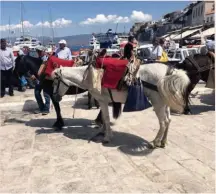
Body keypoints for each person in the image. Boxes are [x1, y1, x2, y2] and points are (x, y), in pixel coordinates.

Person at [31, 45, 51, 115]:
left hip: (45, 79)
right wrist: (33, 74)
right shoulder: (38, 59)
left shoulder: (47, 59)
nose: (38, 52)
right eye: (37, 51)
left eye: (39, 51)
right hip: (38, 79)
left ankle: (46, 109)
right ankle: (41, 107)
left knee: (46, 94)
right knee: (37, 93)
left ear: (43, 51)